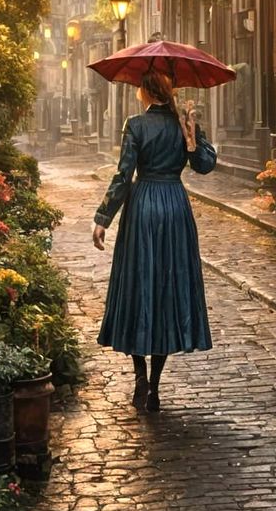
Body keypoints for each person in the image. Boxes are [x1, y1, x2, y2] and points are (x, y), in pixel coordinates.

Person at [91, 65, 216, 411]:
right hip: (175, 208)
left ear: (145, 91)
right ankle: (156, 387)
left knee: (136, 287)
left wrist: (103, 218)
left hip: (143, 206)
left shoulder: (136, 125)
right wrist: (192, 141)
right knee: (166, 291)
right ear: (170, 90)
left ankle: (140, 376)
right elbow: (206, 166)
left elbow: (123, 175)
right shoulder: (183, 123)